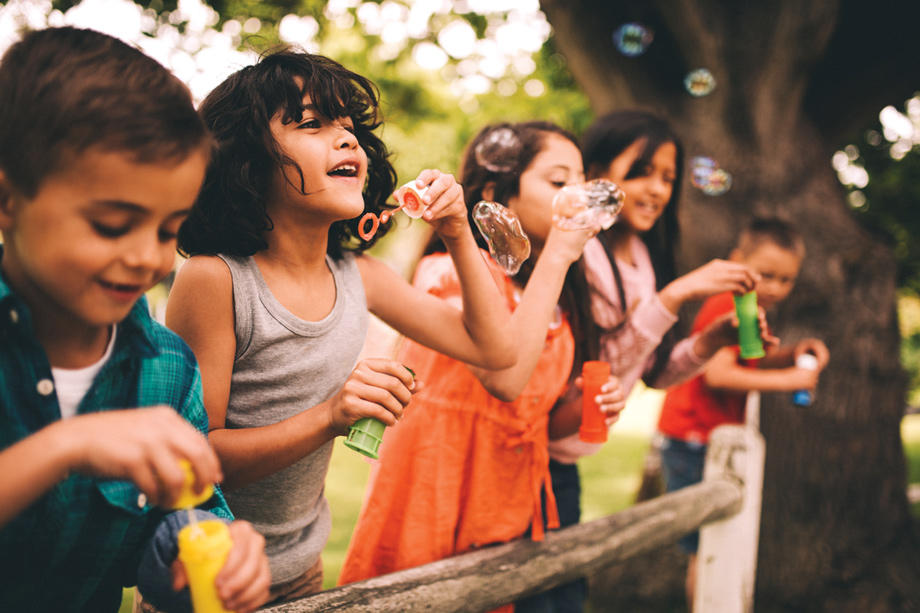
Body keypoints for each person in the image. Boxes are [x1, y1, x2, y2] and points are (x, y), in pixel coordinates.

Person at [165, 50, 516, 602]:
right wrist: (331, 416)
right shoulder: (216, 280)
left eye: (350, 128)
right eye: (311, 123)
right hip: (210, 575)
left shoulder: (360, 276)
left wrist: (455, 232)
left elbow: (494, 350)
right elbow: (194, 460)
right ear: (246, 161)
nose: (348, 139)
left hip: (303, 573)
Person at [0, 27, 269, 613]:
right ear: (8, 201)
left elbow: (182, 518)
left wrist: (212, 553)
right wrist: (63, 447)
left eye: (168, 230)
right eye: (112, 225)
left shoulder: (168, 368)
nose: (149, 256)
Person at [338, 122, 627, 610]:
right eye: (559, 182)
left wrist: (584, 409)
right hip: (435, 496)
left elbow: (532, 416)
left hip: (508, 508)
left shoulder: (552, 299)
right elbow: (506, 381)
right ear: (496, 194)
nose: (577, 195)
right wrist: (558, 254)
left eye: (581, 180)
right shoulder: (450, 275)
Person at [538, 110, 761, 612]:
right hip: (536, 450)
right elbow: (600, 365)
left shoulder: (641, 256)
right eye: (641, 171)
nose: (658, 189)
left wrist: (709, 341)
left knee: (564, 594)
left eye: (668, 178)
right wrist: (674, 297)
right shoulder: (579, 253)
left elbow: (652, 371)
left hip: (565, 463)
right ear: (593, 171)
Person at [657, 216, 829, 608]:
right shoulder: (728, 303)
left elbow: (749, 360)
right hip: (692, 438)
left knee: (719, 541)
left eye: (786, 280)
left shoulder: (749, 304)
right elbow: (719, 375)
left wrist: (790, 357)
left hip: (711, 439)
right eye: (766, 274)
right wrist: (791, 382)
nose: (775, 287)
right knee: (707, 548)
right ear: (737, 261)